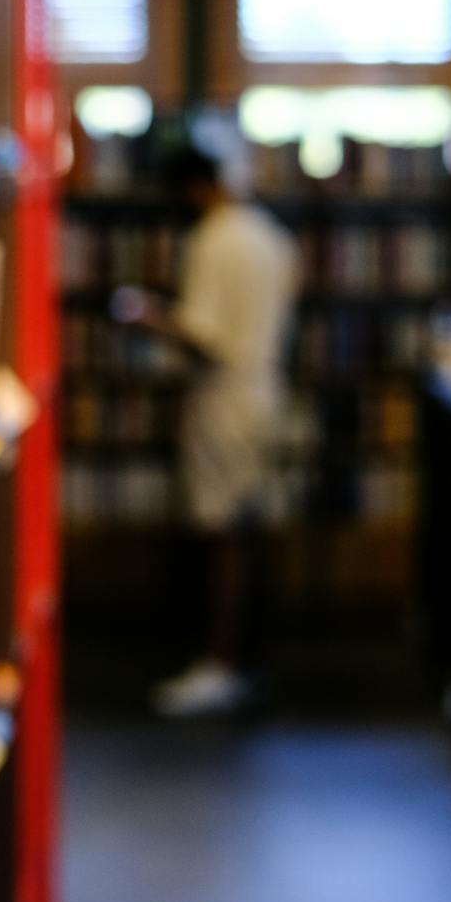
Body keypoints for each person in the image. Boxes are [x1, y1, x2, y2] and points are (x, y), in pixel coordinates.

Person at [114, 146, 299, 718]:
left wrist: (147, 316)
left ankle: (219, 665)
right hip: (267, 393)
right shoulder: (270, 235)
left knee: (223, 535)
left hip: (223, 401)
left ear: (193, 190)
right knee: (252, 529)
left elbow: (205, 336)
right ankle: (248, 663)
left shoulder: (214, 241)